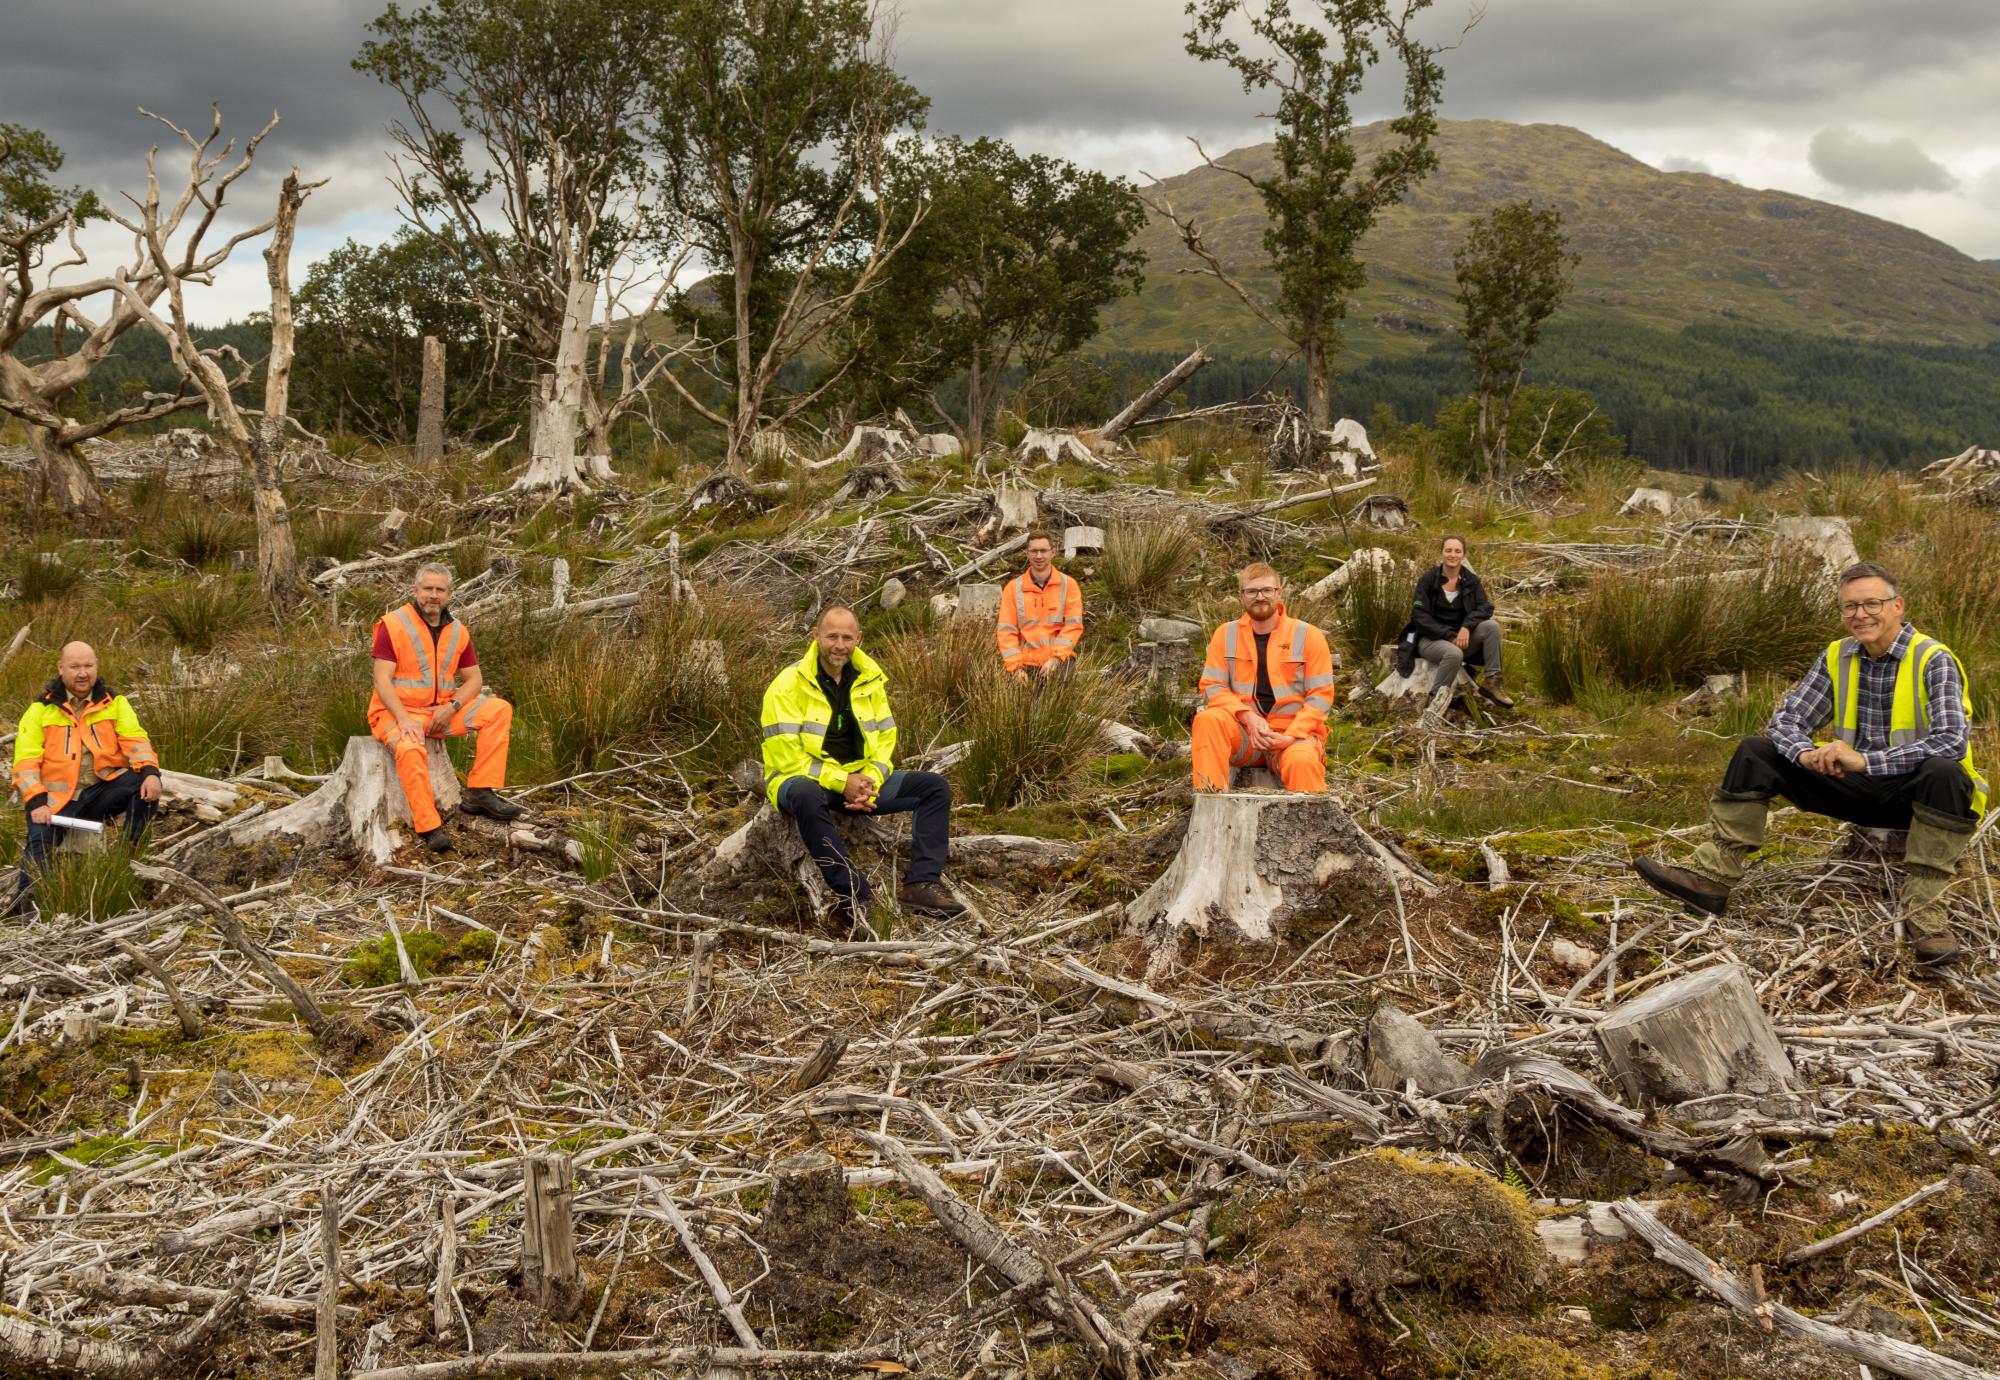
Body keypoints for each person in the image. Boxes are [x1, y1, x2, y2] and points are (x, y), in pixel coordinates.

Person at [1632, 561, 1987, 966]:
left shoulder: (1932, 658)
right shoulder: (1838, 655)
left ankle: (1926, 914)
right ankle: (1710, 878)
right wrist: (1805, 752)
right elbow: (1786, 720)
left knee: (1944, 770)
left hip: (1920, 799)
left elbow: (1951, 741)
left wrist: (1866, 761)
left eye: (1872, 603)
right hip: (1855, 788)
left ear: (1897, 606)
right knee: (1756, 750)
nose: (1860, 614)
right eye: (1850, 607)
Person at [762, 605, 964, 926]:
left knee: (934, 788)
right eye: (832, 636)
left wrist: (867, 781)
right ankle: (854, 892)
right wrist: (843, 781)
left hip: (859, 782)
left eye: (846, 637)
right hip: (801, 781)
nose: (839, 645)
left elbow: (885, 742)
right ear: (816, 636)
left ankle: (922, 884)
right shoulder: (787, 685)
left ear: (858, 638)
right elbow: (788, 757)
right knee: (803, 792)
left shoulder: (869, 680)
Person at [368, 563, 524, 854]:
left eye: (440, 590)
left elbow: (474, 679)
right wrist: (403, 719)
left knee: (498, 710)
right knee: (411, 749)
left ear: (449, 594)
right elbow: (381, 679)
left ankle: (480, 792)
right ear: (415, 590)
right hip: (394, 713)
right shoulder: (394, 624)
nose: (433, 595)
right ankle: (429, 827)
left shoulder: (457, 630)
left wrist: (452, 707)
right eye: (428, 588)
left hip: (440, 712)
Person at [9, 642, 162, 919]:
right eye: (75, 666)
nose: (82, 673)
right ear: (61, 669)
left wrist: (151, 772)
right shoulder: (40, 710)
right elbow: (25, 762)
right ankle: (25, 914)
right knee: (39, 847)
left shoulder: (115, 703)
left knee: (144, 785)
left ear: (96, 666)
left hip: (100, 792)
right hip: (55, 802)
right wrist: (37, 801)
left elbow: (136, 741)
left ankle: (129, 857)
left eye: (88, 666)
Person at [1191, 564, 1335, 792]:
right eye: (1252, 591)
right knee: (1208, 720)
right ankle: (1209, 802)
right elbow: (1212, 687)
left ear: (1279, 593)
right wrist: (1247, 717)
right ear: (1241, 596)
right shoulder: (1225, 634)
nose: (1260, 597)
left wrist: (1291, 736)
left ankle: (1313, 826)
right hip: (1246, 737)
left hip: (1292, 738)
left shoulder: (1309, 635)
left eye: (1267, 590)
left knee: (1303, 763)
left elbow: (1321, 697)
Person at [1406, 535, 1514, 708]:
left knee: (1491, 627)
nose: (1452, 555)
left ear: (1464, 555)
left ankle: (1492, 682)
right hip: (1430, 640)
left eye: (1457, 551)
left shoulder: (1471, 580)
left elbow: (1485, 607)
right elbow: (1419, 616)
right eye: (1448, 550)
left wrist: (1466, 627)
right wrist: (1448, 636)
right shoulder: (1428, 580)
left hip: (1461, 639)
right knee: (1453, 654)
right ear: (1441, 553)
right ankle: (1435, 701)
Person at [996, 530, 1083, 683]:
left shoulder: (1068, 585)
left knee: (1057, 701)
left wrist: (1055, 659)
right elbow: (1006, 632)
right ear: (1027, 553)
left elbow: (1073, 626)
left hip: (1059, 661)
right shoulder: (1013, 588)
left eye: (1043, 551)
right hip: (1024, 664)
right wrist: (1016, 668)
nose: (1039, 556)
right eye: (1034, 551)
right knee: (1017, 703)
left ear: (1053, 552)